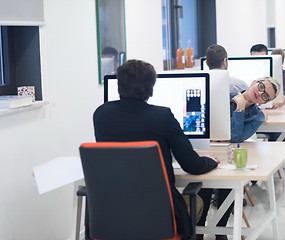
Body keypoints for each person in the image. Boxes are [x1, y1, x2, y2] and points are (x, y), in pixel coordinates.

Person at [93, 59, 219, 240]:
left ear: (119, 86)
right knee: (196, 201)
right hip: (159, 217)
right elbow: (193, 166)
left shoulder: (101, 114)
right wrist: (210, 160)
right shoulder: (162, 116)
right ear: (151, 89)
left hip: (112, 215)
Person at [196, 77, 281, 240]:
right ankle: (199, 230)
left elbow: (234, 137)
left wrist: (240, 108)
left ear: (264, 102)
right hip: (206, 150)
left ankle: (220, 230)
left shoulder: (257, 117)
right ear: (254, 82)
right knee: (204, 182)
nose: (260, 92)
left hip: (229, 155)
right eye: (261, 86)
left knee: (228, 182)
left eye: (265, 96)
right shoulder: (222, 97)